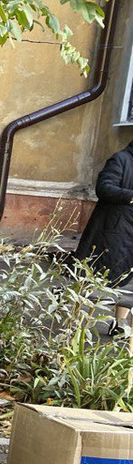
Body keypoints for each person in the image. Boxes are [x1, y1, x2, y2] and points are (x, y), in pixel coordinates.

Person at [74, 140, 133, 337]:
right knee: (97, 274)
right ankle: (76, 320)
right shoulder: (121, 159)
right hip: (113, 230)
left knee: (128, 279)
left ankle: (119, 324)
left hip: (130, 230)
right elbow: (104, 188)